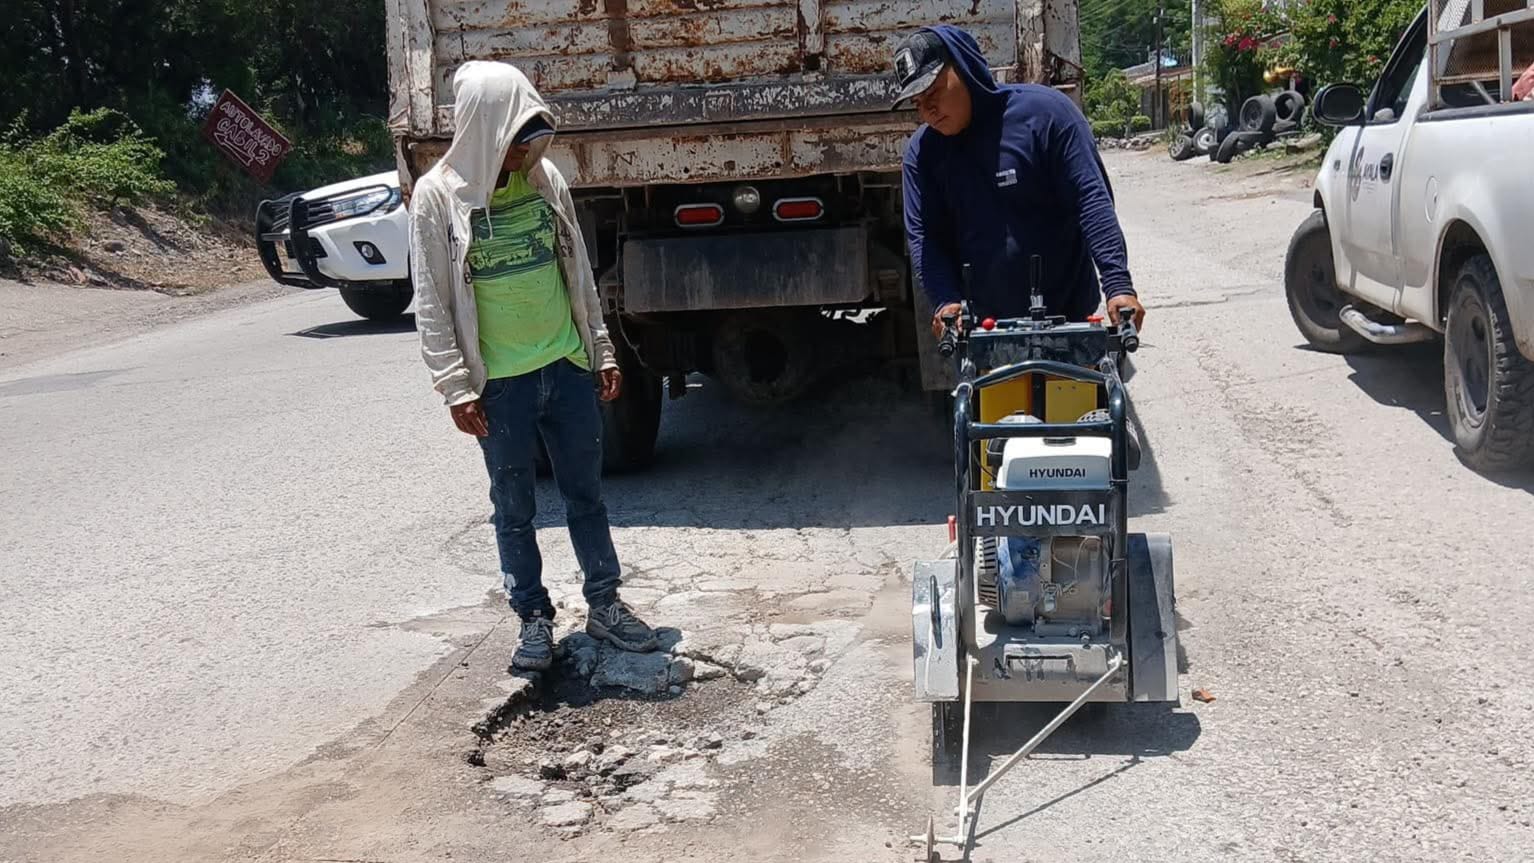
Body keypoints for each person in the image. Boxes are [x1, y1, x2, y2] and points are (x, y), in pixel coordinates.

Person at [408, 60, 658, 671]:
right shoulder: (437, 198)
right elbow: (434, 305)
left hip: (566, 369)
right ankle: (533, 620)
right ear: (483, 128)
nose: (527, 152)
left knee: (586, 496)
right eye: (518, 139)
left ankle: (605, 605)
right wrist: (454, 387)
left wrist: (599, 349)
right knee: (514, 507)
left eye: (533, 138)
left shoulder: (545, 180)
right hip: (500, 386)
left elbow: (578, 275)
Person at [892, 26, 1147, 340]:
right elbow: (925, 238)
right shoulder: (923, 154)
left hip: (1070, 320)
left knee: (1087, 389)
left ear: (964, 66)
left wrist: (1117, 285)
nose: (927, 111)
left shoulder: (1047, 116)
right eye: (917, 102)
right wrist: (946, 299)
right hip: (985, 335)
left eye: (932, 92)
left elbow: (1090, 199)